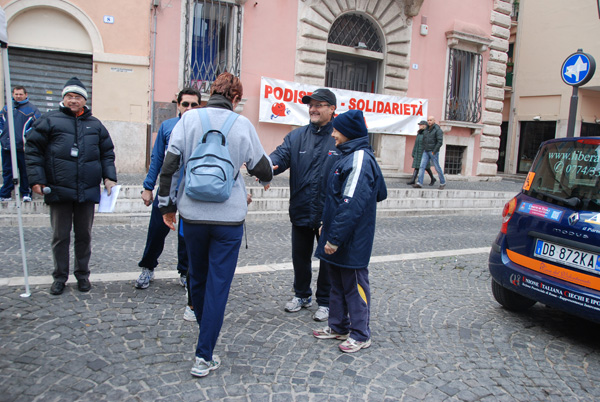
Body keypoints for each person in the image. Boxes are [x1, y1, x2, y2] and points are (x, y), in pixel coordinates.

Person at [158, 72, 273, 378]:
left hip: (192, 215)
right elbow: (262, 166)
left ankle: (204, 330)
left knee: (197, 276)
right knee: (218, 286)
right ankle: (203, 354)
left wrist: (167, 206)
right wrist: (266, 177)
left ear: (211, 93)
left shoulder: (189, 120)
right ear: (236, 98)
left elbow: (169, 167)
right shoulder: (243, 125)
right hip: (228, 219)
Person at [25, 77, 117, 295]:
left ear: (84, 100)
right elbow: (33, 150)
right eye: (69, 96)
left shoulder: (95, 124)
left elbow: (107, 153)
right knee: (60, 236)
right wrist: (37, 180)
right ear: (63, 99)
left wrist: (109, 177)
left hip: (87, 189)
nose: (73, 100)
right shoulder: (49, 121)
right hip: (58, 188)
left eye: (77, 97)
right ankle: (60, 277)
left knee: (84, 235)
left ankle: (83, 275)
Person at [312, 109, 387, 353]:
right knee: (337, 283)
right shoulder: (349, 156)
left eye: (336, 129)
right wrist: (327, 226)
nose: (332, 133)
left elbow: (350, 202)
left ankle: (361, 333)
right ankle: (338, 326)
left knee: (354, 287)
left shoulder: (359, 159)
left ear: (348, 132)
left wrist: (334, 237)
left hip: (350, 240)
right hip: (340, 235)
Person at [268, 88, 340, 322]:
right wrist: (264, 166)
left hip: (328, 213)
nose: (313, 109)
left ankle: (326, 301)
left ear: (332, 109)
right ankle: (301, 295)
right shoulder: (296, 136)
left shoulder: (340, 137)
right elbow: (279, 157)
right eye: (311, 105)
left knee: (327, 259)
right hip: (301, 207)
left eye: (319, 105)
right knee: (300, 256)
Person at [0, 86, 41, 202]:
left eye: (20, 94)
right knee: (7, 171)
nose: (18, 96)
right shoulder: (7, 108)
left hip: (23, 147)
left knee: (25, 172)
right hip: (7, 146)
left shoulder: (32, 110)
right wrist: (2, 134)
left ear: (26, 94)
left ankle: (26, 193)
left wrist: (26, 138)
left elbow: (37, 126)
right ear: (12, 94)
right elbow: (0, 122)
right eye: (16, 94)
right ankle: (5, 194)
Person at [413, 116, 446, 189]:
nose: (429, 121)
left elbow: (440, 142)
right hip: (426, 151)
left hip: (433, 151)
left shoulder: (437, 130)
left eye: (430, 120)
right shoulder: (426, 129)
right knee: (422, 166)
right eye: (428, 120)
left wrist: (434, 151)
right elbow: (423, 138)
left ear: (434, 120)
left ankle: (442, 182)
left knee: (437, 167)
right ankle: (419, 183)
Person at [407, 120, 435, 186]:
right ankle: (413, 180)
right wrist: (414, 152)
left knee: (426, 167)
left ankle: (432, 178)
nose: (419, 126)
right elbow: (416, 144)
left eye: (420, 125)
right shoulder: (419, 133)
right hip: (418, 152)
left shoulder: (427, 133)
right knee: (417, 166)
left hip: (424, 153)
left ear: (424, 126)